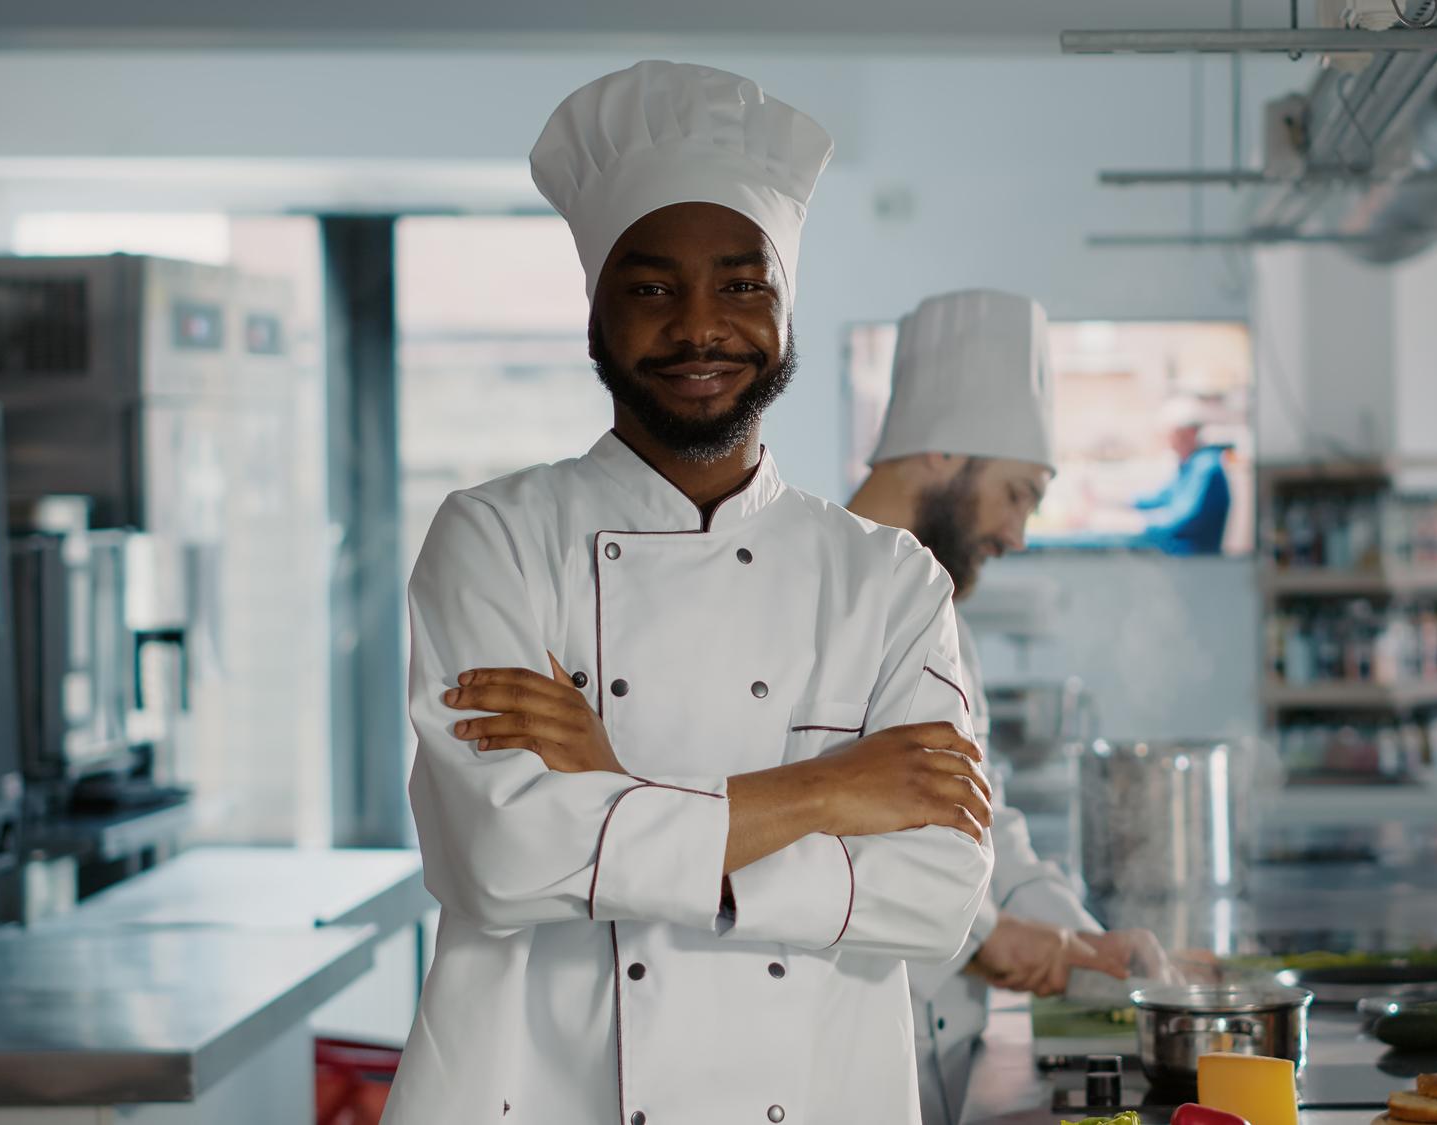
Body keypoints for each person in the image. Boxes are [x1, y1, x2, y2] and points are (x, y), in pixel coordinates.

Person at [384, 63, 996, 1125]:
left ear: (784, 303)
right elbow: (500, 857)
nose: (700, 327)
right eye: (652, 287)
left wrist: (611, 790)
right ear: (596, 311)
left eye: (742, 283)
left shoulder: (887, 577)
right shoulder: (493, 537)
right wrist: (822, 793)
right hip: (536, 1096)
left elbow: (940, 897)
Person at [848, 289, 1176, 1125]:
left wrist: (1081, 937)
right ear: (943, 452)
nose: (1020, 533)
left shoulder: (945, 616)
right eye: (1019, 493)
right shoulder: (811, 595)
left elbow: (979, 815)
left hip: (940, 1047)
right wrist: (988, 934)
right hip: (843, 1046)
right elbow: (819, 830)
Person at [1131, 398, 1233, 555]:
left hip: (1194, 561)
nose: (1170, 442)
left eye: (1173, 434)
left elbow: (1182, 520)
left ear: (1190, 433)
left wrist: (1137, 524)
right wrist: (1110, 500)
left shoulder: (1206, 467)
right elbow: (1161, 497)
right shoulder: (1189, 466)